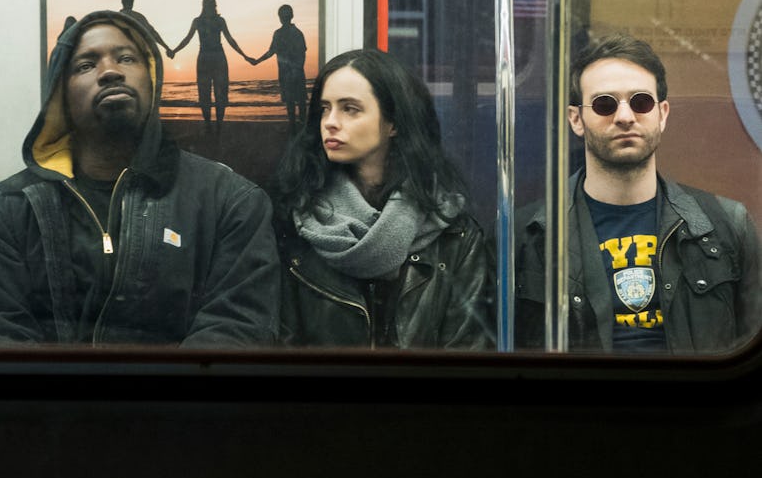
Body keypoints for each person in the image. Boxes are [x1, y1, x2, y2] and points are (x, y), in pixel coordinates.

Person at [0, 10, 279, 347]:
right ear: (60, 96)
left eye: (127, 58)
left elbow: (236, 332)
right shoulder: (6, 209)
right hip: (47, 400)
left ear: (151, 78)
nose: (110, 71)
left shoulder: (230, 202)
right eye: (85, 65)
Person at [515, 33, 761, 353]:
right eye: (604, 104)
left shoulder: (727, 225)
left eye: (641, 102)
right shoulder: (528, 235)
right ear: (576, 119)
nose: (625, 116)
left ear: (663, 113)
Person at [273, 48, 495, 349]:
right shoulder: (297, 221)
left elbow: (466, 356)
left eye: (350, 109)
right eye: (325, 108)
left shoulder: (454, 235)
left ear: (394, 123)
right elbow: (282, 352)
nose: (330, 122)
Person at [168, 0, 249, 128]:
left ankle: (219, 124)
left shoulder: (220, 21)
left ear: (214, 6)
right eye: (207, 4)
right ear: (203, 6)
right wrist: (174, 51)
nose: (209, 6)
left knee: (220, 94)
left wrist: (244, 55)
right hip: (205, 57)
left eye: (211, 4)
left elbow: (230, 39)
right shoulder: (197, 21)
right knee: (204, 94)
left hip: (218, 57)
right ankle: (208, 124)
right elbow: (187, 39)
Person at [247, 4, 308, 125]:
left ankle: (295, 128)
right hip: (293, 72)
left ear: (281, 17)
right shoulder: (295, 33)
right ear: (291, 16)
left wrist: (257, 61)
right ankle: (299, 127)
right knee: (298, 102)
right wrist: (257, 61)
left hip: (288, 73)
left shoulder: (284, 33)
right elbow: (301, 54)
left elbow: (271, 52)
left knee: (293, 103)